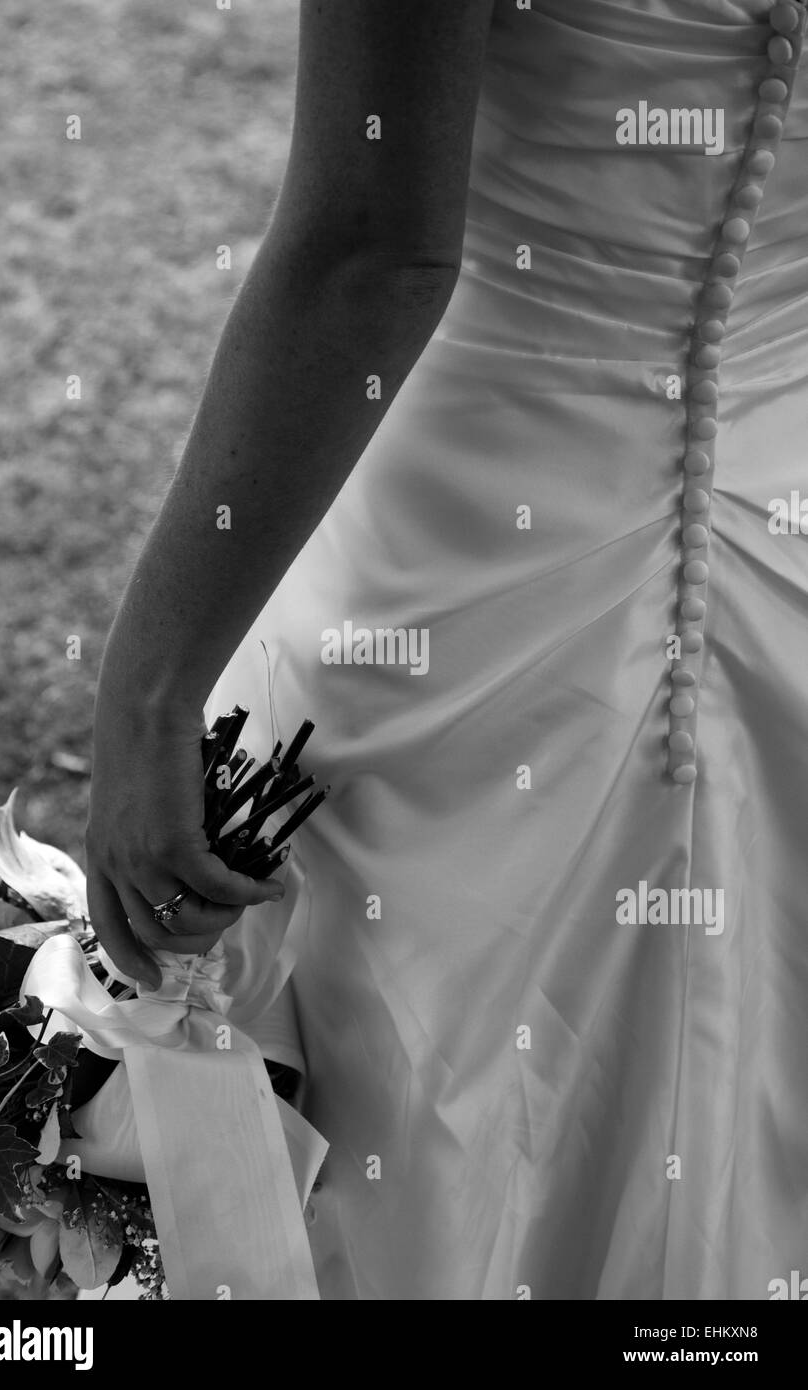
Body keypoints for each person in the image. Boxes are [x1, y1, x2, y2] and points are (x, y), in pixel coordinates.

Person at [86, 0, 808, 1299]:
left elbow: (374, 251)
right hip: (784, 539)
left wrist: (147, 690)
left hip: (469, 588)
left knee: (431, 1140)